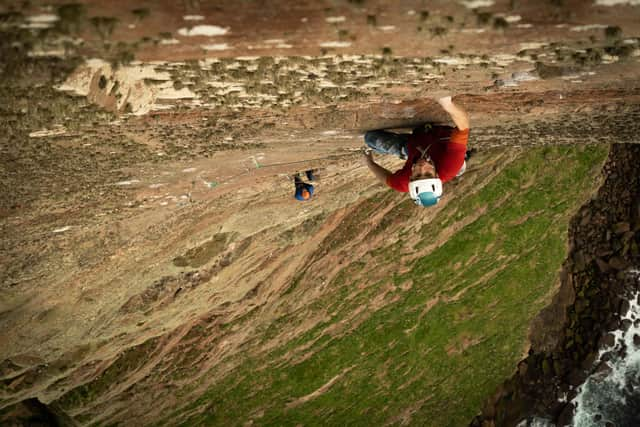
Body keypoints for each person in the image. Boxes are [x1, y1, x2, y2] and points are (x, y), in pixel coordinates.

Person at [362, 96, 470, 207]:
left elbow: (385, 178)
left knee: (370, 139)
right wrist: (448, 105)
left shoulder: (402, 183)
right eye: (428, 174)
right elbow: (464, 128)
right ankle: (461, 164)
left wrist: (369, 162)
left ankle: (405, 152)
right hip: (439, 138)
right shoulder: (451, 166)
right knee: (458, 164)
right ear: (437, 176)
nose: (422, 167)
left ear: (410, 178)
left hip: (413, 146)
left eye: (417, 175)